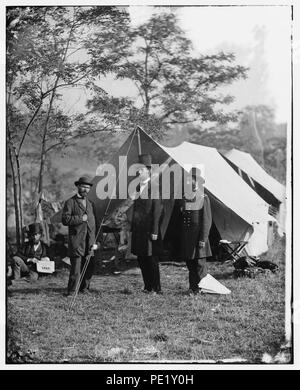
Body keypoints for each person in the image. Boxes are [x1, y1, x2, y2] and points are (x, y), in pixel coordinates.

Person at [130, 154, 164, 294]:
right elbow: (136, 210)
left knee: (151, 259)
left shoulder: (155, 187)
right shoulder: (137, 187)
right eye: (137, 170)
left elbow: (157, 211)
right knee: (141, 258)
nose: (139, 172)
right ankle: (147, 286)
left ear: (149, 171)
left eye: (141, 170)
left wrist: (155, 231)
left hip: (150, 231)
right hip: (139, 231)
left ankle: (156, 288)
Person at [62, 176, 98, 296]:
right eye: (83, 187)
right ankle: (72, 291)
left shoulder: (91, 204)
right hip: (77, 241)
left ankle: (84, 289)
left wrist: (95, 241)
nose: (85, 189)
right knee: (76, 269)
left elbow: (94, 224)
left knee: (89, 267)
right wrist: (80, 219)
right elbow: (65, 220)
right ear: (78, 186)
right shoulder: (70, 202)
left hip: (90, 242)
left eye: (88, 188)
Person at [178, 168, 212, 295]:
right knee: (190, 264)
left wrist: (203, 239)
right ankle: (193, 288)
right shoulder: (186, 197)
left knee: (199, 265)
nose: (190, 183)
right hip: (188, 237)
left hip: (198, 238)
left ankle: (202, 289)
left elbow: (206, 221)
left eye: (192, 180)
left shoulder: (203, 198)